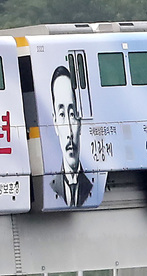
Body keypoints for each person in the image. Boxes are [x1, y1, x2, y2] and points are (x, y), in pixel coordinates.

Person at [48, 65, 93, 207]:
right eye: (62, 115)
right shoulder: (52, 186)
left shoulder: (90, 185)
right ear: (55, 122)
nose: (68, 131)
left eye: (72, 115)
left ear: (80, 122)